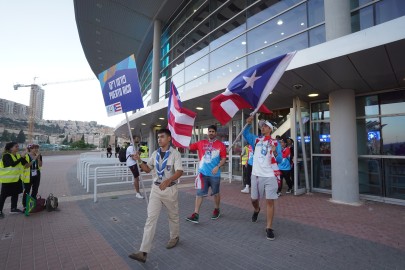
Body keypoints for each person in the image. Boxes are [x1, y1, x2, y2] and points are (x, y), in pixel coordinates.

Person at [128, 129, 183, 263]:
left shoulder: (175, 154)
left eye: (162, 137)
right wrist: (139, 160)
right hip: (156, 189)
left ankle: (174, 237)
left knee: (173, 215)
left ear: (169, 138)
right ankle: (143, 251)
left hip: (170, 189)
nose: (159, 139)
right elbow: (147, 169)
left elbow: (180, 171)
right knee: (150, 219)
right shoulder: (155, 153)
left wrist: (169, 180)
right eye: (158, 137)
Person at [243, 117, 281, 240]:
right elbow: (245, 134)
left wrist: (275, 152)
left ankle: (269, 227)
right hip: (256, 175)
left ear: (270, 129)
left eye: (265, 126)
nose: (262, 127)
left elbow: (280, 159)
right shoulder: (256, 140)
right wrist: (248, 124)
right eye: (262, 126)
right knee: (254, 199)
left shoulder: (275, 143)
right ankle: (257, 209)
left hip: (270, 176)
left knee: (270, 201)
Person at [186, 125, 226, 224]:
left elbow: (224, 158)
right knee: (199, 194)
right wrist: (181, 139)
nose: (211, 133)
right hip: (203, 174)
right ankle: (196, 214)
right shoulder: (201, 143)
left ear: (215, 133)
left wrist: (218, 166)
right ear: (207, 133)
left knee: (216, 193)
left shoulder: (221, 145)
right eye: (209, 131)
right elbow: (189, 146)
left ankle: (217, 209)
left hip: (214, 174)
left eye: (213, 131)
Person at [0, 142, 34, 218]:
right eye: (16, 146)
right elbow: (12, 164)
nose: (18, 148)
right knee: (3, 196)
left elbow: (25, 165)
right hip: (7, 180)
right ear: (11, 148)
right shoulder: (6, 156)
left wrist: (32, 159)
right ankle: (0, 211)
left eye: (18, 146)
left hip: (17, 179)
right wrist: (21, 157)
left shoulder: (18, 155)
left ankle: (13, 208)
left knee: (15, 194)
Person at [22, 144, 43, 209]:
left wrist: (38, 158)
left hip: (37, 174)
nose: (36, 149)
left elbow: (40, 165)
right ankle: (25, 205)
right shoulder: (26, 156)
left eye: (37, 148)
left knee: (35, 189)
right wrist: (34, 159)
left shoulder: (39, 155)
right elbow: (26, 166)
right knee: (27, 190)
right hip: (28, 175)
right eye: (34, 148)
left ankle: (32, 203)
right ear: (30, 149)